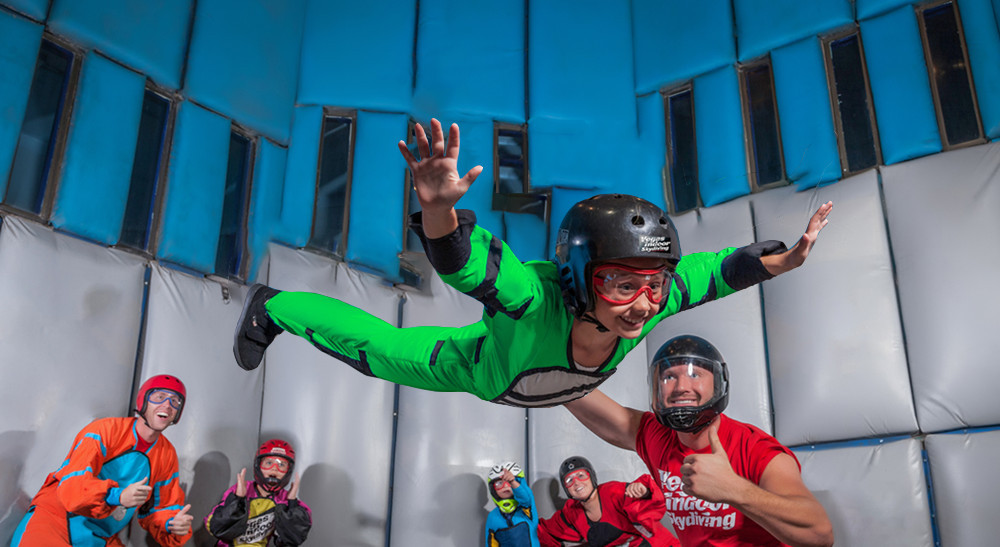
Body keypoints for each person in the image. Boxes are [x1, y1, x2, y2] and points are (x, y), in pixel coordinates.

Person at [233, 118, 833, 408]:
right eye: (620, 284)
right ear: (577, 278)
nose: (643, 304)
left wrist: (780, 261)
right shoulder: (534, 297)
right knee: (376, 351)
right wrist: (438, 211)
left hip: (530, 383)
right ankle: (275, 307)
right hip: (474, 368)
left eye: (654, 285)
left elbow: (714, 273)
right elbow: (469, 265)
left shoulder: (652, 302)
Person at [563, 335, 834, 547]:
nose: (681, 387)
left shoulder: (755, 448)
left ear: (718, 383)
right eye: (669, 377)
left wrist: (735, 490)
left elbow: (820, 534)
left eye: (695, 374)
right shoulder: (655, 436)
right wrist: (549, 370)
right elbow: (573, 393)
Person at [11, 374, 193, 546]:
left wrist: (172, 524)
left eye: (175, 401)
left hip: (99, 534)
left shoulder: (167, 454)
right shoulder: (104, 430)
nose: (167, 405)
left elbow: (162, 507)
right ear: (143, 400)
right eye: (159, 397)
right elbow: (73, 486)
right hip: (55, 519)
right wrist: (117, 496)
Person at [537, 456, 679, 547]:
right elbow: (543, 532)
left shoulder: (614, 493)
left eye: (581, 475)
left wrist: (645, 491)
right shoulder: (572, 513)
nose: (577, 482)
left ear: (592, 477)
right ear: (566, 489)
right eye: (569, 480)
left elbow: (651, 506)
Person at [205, 438, 312, 546]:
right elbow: (214, 527)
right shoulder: (241, 489)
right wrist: (237, 499)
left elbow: (294, 538)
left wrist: (292, 503)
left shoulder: (285, 499)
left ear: (288, 470)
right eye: (269, 463)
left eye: (281, 465)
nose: (274, 469)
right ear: (258, 465)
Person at [485, 461, 540, 546]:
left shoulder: (526, 509)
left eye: (509, 482)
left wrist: (513, 482)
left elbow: (526, 498)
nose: (505, 486)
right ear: (493, 489)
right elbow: (491, 543)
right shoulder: (493, 517)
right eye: (499, 483)